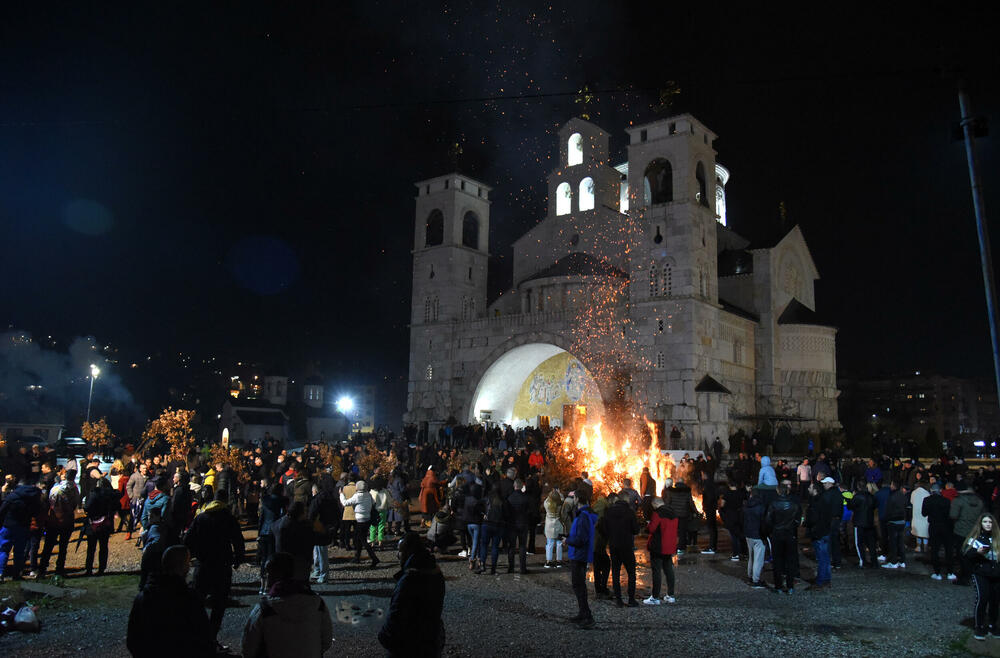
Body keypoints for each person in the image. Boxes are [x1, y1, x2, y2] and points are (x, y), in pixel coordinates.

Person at [127, 545, 216, 657]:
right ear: (182, 566)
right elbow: (204, 636)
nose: (189, 567)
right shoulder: (188, 599)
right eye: (187, 563)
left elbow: (133, 638)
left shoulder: (143, 597)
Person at [241, 552, 334, 658]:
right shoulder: (318, 604)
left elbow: (248, 647)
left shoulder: (265, 609)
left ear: (273, 575)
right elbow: (326, 641)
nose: (266, 576)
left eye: (268, 572)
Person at [184, 488, 246, 640]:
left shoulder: (201, 517)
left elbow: (188, 539)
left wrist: (194, 554)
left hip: (203, 563)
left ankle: (197, 633)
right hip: (222, 564)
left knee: (198, 599)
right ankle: (211, 635)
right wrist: (238, 559)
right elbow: (238, 540)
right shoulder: (228, 518)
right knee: (219, 603)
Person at [378, 532, 446, 657]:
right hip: (431, 638)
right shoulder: (435, 572)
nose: (398, 555)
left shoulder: (409, 580)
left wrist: (385, 636)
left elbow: (397, 613)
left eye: (400, 551)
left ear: (406, 551)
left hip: (408, 643)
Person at [37, 469, 79, 578]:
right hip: (67, 519)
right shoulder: (74, 488)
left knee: (48, 545)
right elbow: (75, 503)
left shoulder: (55, 488)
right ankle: (59, 569)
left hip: (53, 519)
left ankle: (42, 568)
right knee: (63, 546)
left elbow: (48, 501)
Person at [965, 514, 1000, 641]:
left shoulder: (997, 538)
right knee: (982, 598)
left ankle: (993, 625)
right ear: (980, 524)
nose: (988, 524)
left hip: (996, 574)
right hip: (981, 573)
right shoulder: (976, 538)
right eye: (985, 522)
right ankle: (979, 626)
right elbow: (966, 554)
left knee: (995, 600)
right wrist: (977, 552)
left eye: (990, 522)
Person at [0, 474, 42, 581]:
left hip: (8, 526)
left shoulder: (12, 496)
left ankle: (1, 573)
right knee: (19, 552)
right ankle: (17, 574)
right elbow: (37, 511)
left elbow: (2, 510)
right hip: (24, 526)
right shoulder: (34, 496)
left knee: (4, 550)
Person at [566, 491, 598, 629]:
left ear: (578, 499)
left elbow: (581, 539)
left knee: (578, 585)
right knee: (579, 585)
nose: (572, 499)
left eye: (574, 497)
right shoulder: (585, 514)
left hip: (579, 555)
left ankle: (587, 616)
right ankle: (583, 613)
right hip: (580, 554)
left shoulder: (583, 516)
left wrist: (568, 540)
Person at [601, 493, 639, 606]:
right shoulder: (630, 512)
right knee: (631, 572)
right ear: (626, 500)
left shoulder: (609, 512)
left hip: (614, 545)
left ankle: (619, 599)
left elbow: (604, 529)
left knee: (616, 572)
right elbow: (636, 530)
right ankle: (631, 599)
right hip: (627, 545)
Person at [764, 483, 801, 593]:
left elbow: (768, 520)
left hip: (777, 534)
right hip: (790, 534)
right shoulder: (793, 504)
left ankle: (778, 586)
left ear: (778, 491)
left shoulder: (773, 504)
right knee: (790, 560)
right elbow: (798, 519)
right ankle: (790, 586)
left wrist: (772, 529)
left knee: (777, 561)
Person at [643, 498, 678, 605]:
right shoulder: (673, 513)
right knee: (669, 570)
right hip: (670, 545)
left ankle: (655, 597)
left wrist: (648, 525)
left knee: (657, 571)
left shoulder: (658, 513)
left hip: (658, 546)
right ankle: (670, 595)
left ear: (655, 504)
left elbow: (652, 529)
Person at [952, 481, 986, 586]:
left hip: (960, 531)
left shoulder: (958, 500)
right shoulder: (979, 500)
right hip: (974, 531)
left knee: (961, 554)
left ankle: (964, 577)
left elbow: (953, 515)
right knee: (971, 553)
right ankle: (971, 575)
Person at [340, 480, 380, 567]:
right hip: (368, 519)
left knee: (363, 540)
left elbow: (345, 503)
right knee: (359, 539)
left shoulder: (357, 496)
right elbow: (374, 503)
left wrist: (341, 494)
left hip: (360, 520)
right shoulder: (368, 494)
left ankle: (374, 558)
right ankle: (357, 557)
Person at [84, 477, 119, 576]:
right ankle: (101, 569)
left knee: (91, 548)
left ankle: (89, 569)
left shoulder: (94, 494)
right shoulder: (111, 495)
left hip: (93, 522)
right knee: (103, 547)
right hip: (106, 523)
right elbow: (117, 506)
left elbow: (87, 507)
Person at [923, 482, 957, 581]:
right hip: (946, 527)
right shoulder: (946, 501)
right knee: (948, 549)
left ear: (931, 490)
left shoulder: (927, 500)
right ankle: (950, 572)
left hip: (934, 526)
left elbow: (924, 513)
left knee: (934, 549)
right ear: (940, 490)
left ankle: (937, 572)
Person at [848, 481, 877, 568]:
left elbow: (850, 506)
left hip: (859, 522)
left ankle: (863, 561)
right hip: (869, 521)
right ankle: (874, 561)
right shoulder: (871, 496)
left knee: (859, 543)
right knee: (871, 543)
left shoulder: (857, 496)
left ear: (858, 487)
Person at [505, 478, 531, 573]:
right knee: (522, 546)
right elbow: (529, 511)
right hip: (523, 523)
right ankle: (522, 568)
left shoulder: (509, 498)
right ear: (521, 486)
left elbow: (507, 512)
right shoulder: (526, 497)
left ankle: (511, 567)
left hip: (512, 524)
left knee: (511, 546)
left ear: (514, 486)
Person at [881, 480, 909, 569]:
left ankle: (893, 562)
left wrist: (887, 519)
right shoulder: (903, 496)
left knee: (893, 542)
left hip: (893, 521)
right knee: (900, 541)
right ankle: (902, 560)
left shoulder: (892, 496)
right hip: (901, 521)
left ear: (893, 486)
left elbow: (888, 510)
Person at [743, 488, 766, 589]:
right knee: (758, 559)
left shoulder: (745, 506)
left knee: (751, 557)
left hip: (748, 534)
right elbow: (764, 522)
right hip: (758, 535)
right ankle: (755, 580)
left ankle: (750, 576)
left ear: (751, 495)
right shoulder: (761, 507)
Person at [543, 488, 565, 568]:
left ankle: (549, 561)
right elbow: (562, 499)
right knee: (559, 543)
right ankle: (559, 561)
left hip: (549, 525)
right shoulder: (560, 505)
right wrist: (559, 493)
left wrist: (551, 494)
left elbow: (546, 499)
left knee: (549, 543)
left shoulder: (547, 504)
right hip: (558, 525)